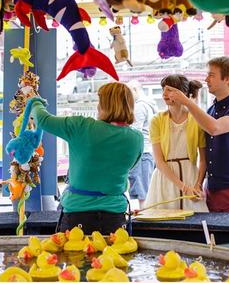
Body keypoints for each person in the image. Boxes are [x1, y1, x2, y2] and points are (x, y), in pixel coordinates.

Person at [30, 82, 143, 234]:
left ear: (104, 105)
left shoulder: (81, 126)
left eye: (100, 102)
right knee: (112, 257)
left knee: (72, 257)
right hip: (115, 217)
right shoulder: (136, 138)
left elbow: (43, 120)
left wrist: (34, 101)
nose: (97, 107)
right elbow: (130, 166)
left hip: (77, 215)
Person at [164, 57, 229, 212]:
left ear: (227, 79)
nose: (206, 79)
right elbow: (204, 153)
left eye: (211, 75)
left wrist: (187, 102)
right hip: (211, 187)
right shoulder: (211, 110)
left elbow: (215, 128)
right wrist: (199, 183)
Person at [145, 75, 209, 212]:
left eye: (169, 90)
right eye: (163, 89)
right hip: (165, 179)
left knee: (195, 221)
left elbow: (203, 160)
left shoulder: (197, 119)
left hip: (190, 176)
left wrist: (197, 185)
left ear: (183, 93)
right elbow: (159, 162)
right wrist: (184, 188)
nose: (164, 94)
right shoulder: (156, 120)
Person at [126, 80, 157, 209]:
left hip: (141, 153)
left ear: (135, 90)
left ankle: (144, 219)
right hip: (148, 152)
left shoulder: (139, 107)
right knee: (145, 189)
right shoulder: (150, 105)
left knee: (142, 192)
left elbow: (134, 132)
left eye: (128, 92)